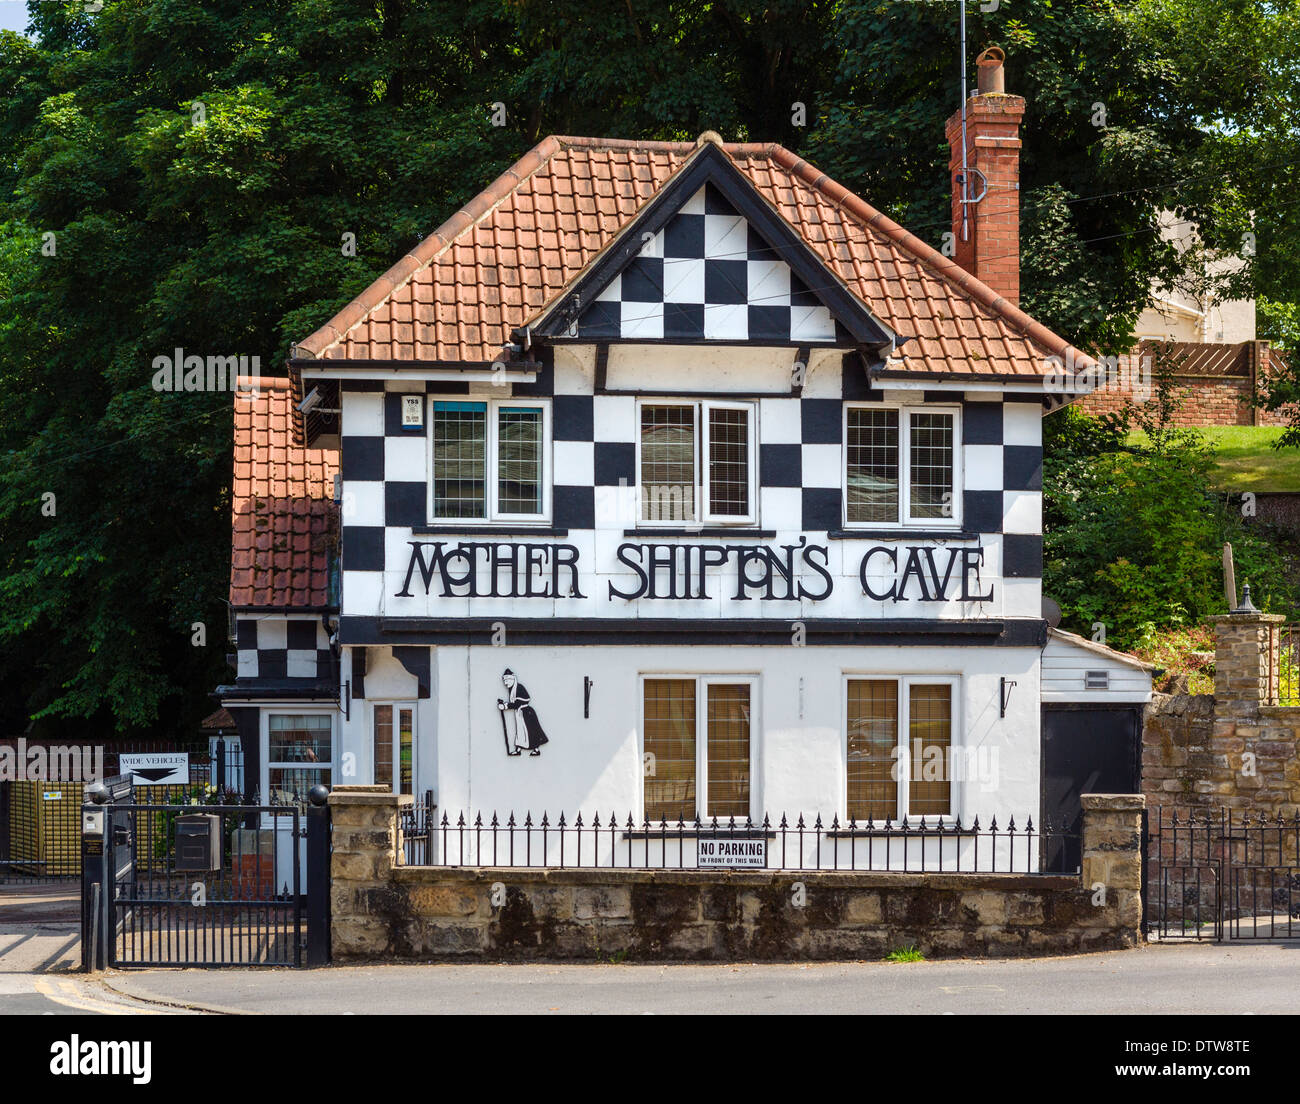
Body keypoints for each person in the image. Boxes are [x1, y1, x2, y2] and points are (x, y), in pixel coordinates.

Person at [498, 669, 550, 756]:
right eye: (504, 681)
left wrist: (505, 706)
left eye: (507, 680)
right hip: (520, 714)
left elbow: (519, 702)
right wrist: (505, 705)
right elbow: (515, 703)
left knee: (531, 732)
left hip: (526, 713)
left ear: (512, 679)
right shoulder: (511, 689)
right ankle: (518, 750)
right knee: (520, 732)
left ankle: (536, 750)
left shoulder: (519, 687)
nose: (506, 683)